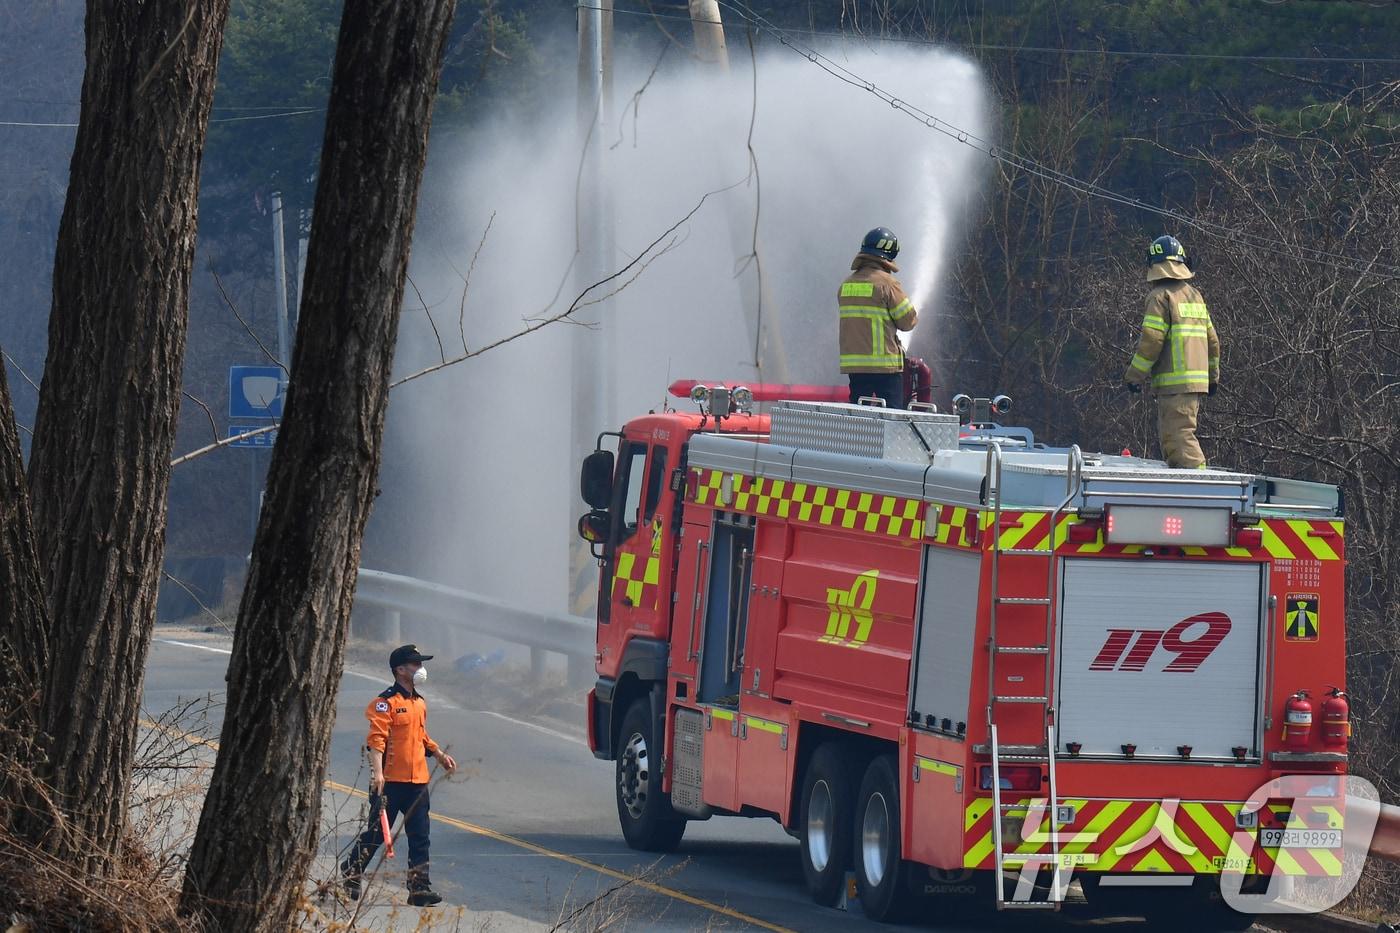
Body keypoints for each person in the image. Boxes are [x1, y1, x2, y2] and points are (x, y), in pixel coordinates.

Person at [341, 644, 457, 906]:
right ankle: (352, 870)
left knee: (420, 836)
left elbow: (421, 736)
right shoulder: (385, 703)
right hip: (391, 783)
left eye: (420, 663)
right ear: (400, 670)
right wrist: (378, 775)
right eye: (415, 664)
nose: (420, 668)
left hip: (417, 782)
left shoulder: (418, 702)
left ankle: (418, 888)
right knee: (376, 834)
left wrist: (439, 754)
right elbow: (377, 741)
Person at [1123, 235, 1221, 469]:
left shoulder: (1160, 297)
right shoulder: (1195, 295)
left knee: (1178, 441)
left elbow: (1152, 340)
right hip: (1196, 384)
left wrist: (1134, 375)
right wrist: (1213, 376)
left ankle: (1199, 487)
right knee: (1182, 436)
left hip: (1174, 385)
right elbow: (1213, 340)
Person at [839, 227, 918, 408]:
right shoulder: (887, 284)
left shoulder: (846, 284)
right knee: (891, 419)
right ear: (889, 252)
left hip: (856, 368)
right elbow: (908, 321)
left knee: (860, 417)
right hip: (886, 368)